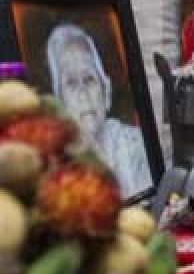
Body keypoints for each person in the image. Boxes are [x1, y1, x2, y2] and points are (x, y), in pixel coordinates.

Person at [46, 23, 151, 197]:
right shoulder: (54, 165)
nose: (83, 93)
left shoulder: (136, 147)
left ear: (106, 92)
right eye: (71, 82)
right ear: (60, 104)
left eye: (89, 79)